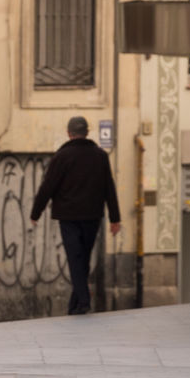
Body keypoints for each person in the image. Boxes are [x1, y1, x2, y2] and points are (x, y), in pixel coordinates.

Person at [30, 116, 122, 315]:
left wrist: (36, 212)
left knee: (75, 258)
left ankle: (84, 301)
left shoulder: (61, 157)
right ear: (87, 133)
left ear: (69, 133)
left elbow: (48, 186)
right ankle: (75, 306)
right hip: (92, 216)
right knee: (83, 259)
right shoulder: (100, 156)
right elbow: (109, 187)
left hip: (69, 217)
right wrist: (115, 218)